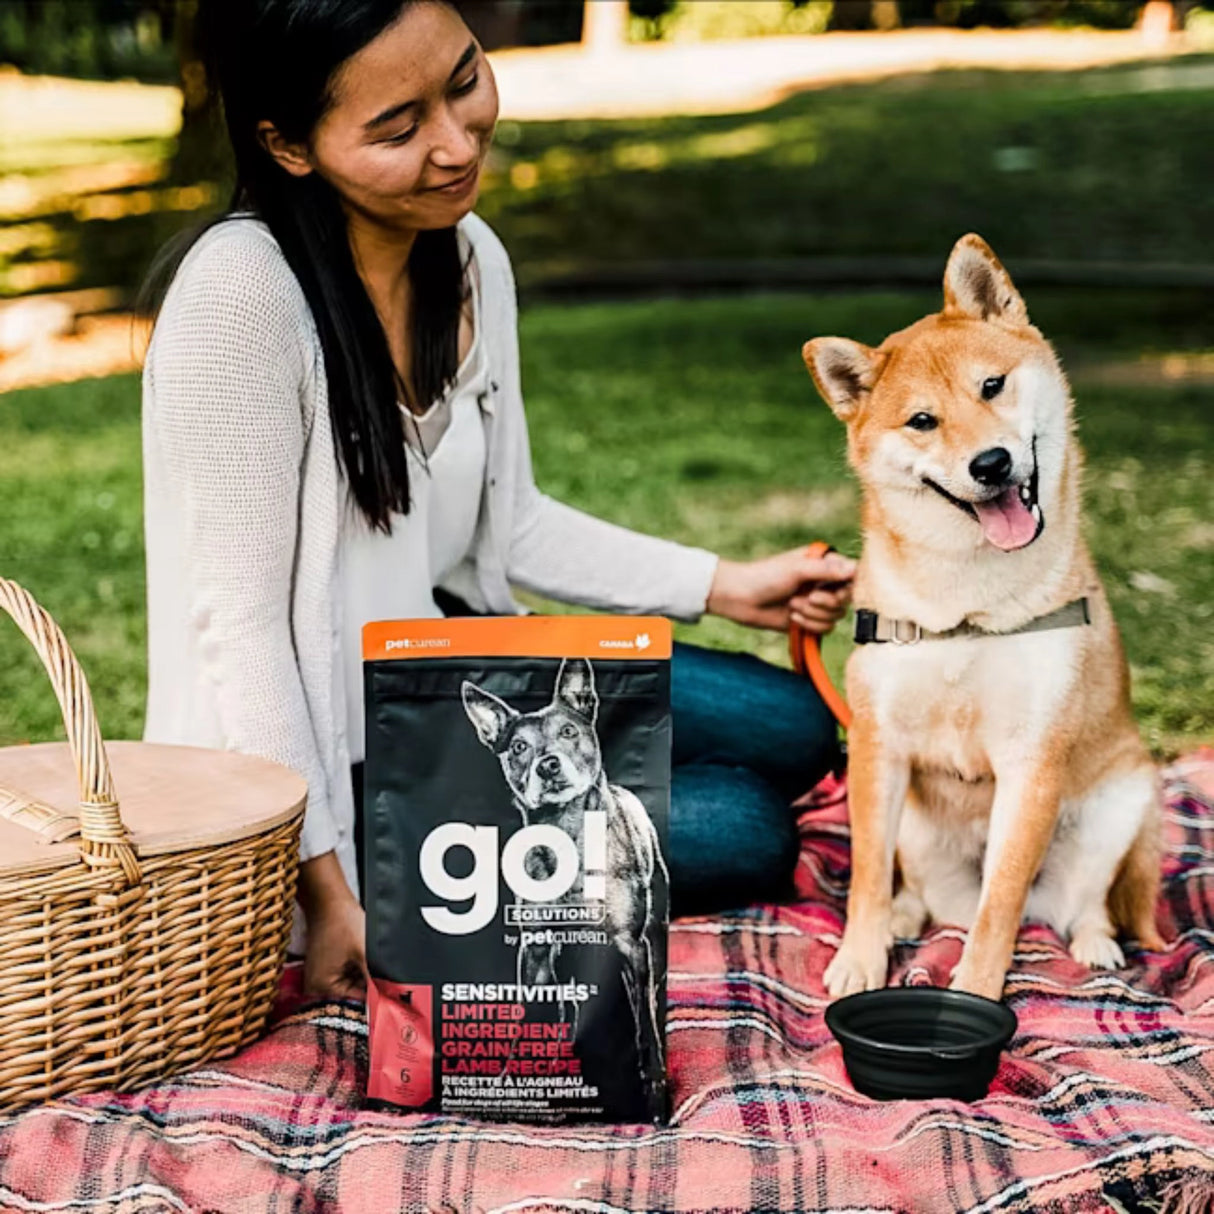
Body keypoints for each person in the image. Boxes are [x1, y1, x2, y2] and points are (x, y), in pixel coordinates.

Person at [139, 0, 855, 1001]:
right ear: (288, 145)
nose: (453, 143)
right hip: (333, 764)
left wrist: (729, 584)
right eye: (396, 128)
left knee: (795, 729)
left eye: (463, 81)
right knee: (748, 825)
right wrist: (329, 889)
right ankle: (410, 864)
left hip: (457, 669)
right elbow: (244, 632)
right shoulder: (241, 296)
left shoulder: (468, 254)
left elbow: (508, 519)